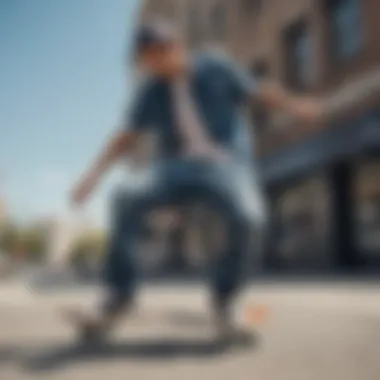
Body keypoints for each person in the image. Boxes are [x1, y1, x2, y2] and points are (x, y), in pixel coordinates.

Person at [68, 19, 323, 342]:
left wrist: (298, 107)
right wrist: (91, 177)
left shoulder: (215, 67)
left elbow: (260, 92)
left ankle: (226, 301)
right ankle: (118, 298)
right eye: (148, 59)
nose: (157, 64)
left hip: (226, 164)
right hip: (175, 168)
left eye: (162, 54)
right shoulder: (150, 89)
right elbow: (125, 137)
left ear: (177, 47)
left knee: (249, 217)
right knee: (125, 194)